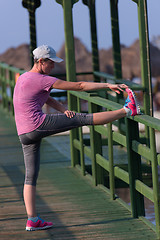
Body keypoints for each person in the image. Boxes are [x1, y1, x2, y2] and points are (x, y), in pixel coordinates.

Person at [13, 45, 140, 231]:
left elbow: (46, 97)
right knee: (83, 119)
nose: (53, 67)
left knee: (30, 177)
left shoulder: (24, 78)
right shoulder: (41, 79)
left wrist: (64, 110)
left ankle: (32, 220)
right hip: (37, 124)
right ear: (41, 62)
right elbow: (79, 86)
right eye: (51, 63)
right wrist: (107, 85)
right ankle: (128, 110)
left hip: (23, 133)